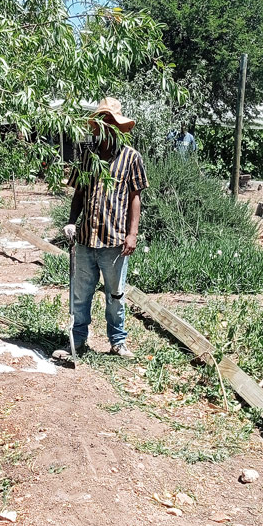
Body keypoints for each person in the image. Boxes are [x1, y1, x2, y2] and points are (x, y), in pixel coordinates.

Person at [63, 96, 148, 359]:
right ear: (97, 126)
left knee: (115, 296)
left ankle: (117, 341)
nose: (105, 127)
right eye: (102, 122)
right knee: (81, 295)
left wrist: (132, 234)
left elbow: (135, 196)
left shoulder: (131, 157)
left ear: (118, 127)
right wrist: (70, 221)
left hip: (114, 241)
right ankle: (78, 340)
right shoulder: (87, 158)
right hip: (87, 239)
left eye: (111, 122)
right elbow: (79, 192)